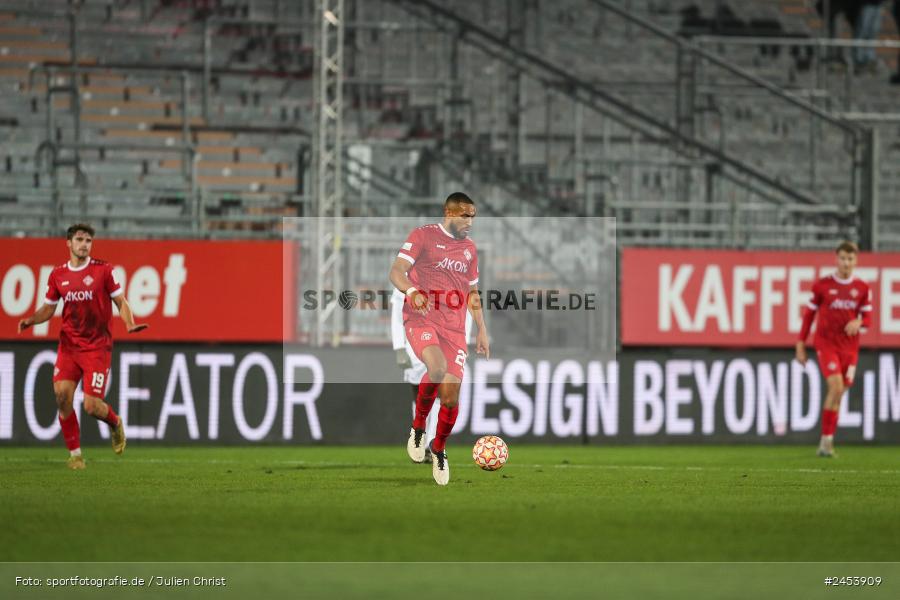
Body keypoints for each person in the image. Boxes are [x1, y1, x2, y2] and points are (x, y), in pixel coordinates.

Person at [17, 224, 148, 469]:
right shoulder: (58, 274)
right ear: (69, 243)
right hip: (69, 346)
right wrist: (30, 320)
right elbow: (49, 308)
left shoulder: (104, 271)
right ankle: (75, 455)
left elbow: (120, 300)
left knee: (91, 406)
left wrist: (130, 323)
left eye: (88, 240)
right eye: (79, 239)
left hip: (97, 347)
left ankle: (115, 422)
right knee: (62, 396)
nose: (84, 244)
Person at [389, 192, 489, 485]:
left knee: (450, 397)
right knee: (435, 367)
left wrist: (481, 328)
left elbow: (472, 293)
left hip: (455, 329)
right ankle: (418, 426)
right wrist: (412, 291)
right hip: (422, 317)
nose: (470, 222)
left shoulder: (470, 249)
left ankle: (439, 448)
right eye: (465, 215)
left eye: (473, 217)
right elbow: (396, 271)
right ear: (449, 212)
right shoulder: (423, 236)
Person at [795, 241, 872, 458]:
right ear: (836, 259)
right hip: (826, 344)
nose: (846, 263)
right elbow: (809, 315)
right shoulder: (822, 286)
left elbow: (868, 318)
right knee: (836, 387)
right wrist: (800, 343)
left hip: (850, 348)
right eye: (842, 258)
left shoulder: (863, 289)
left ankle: (827, 442)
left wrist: (859, 323)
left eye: (850, 259)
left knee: (839, 394)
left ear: (855, 261)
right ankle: (825, 443)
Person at [390, 287, 474, 461]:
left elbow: (466, 310)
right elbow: (397, 309)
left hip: (447, 341)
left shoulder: (456, 271)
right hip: (416, 340)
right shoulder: (408, 272)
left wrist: (462, 343)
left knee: (440, 393)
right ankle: (419, 439)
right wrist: (398, 346)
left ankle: (431, 444)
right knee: (418, 392)